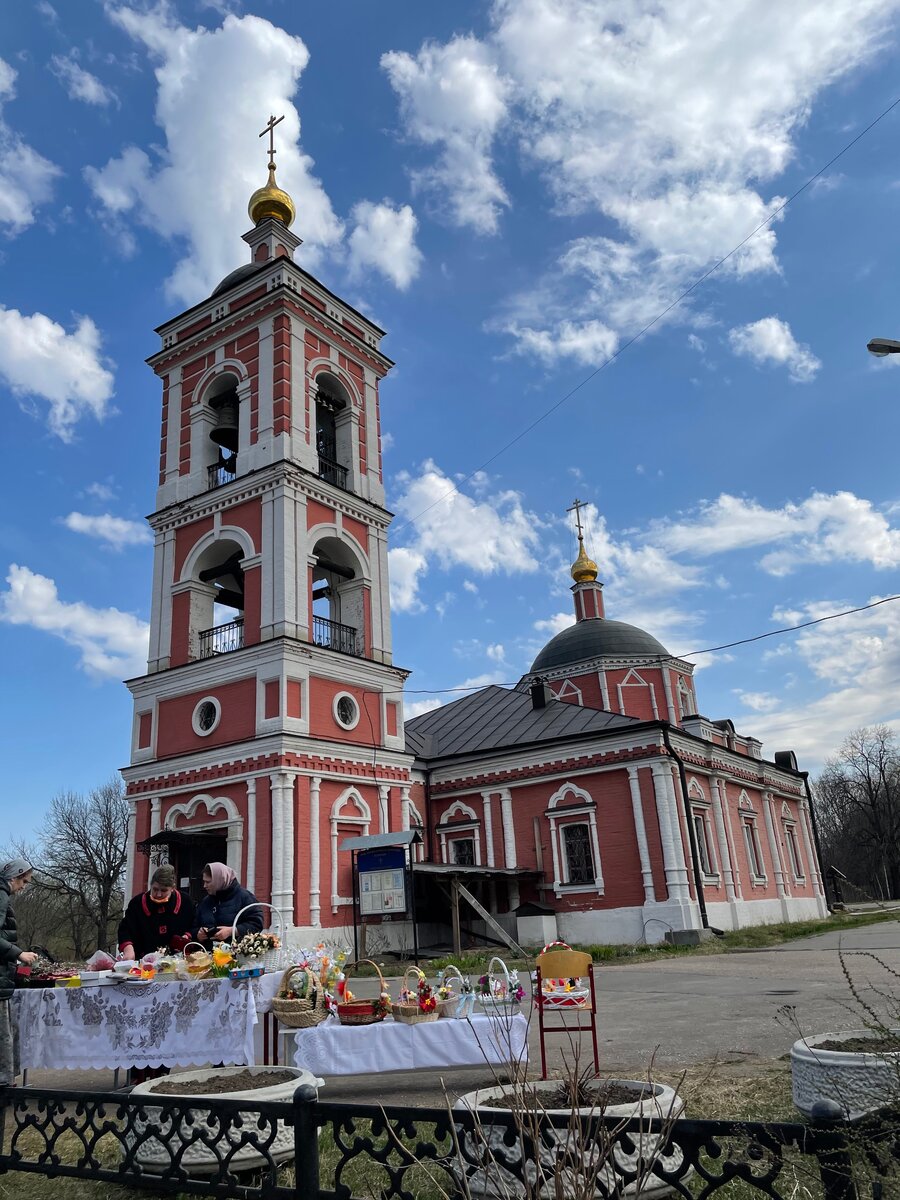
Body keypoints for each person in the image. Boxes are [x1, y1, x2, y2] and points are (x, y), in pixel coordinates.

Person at [0, 857, 38, 1087]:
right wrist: (18, 954)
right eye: (24, 881)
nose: (24, 887)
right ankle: (4, 1085)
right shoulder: (1, 894)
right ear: (15, 876)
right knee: (3, 1032)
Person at [118, 864, 196, 960]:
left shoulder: (186, 901)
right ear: (150, 885)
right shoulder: (137, 903)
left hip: (178, 961)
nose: (158, 894)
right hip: (144, 961)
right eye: (155, 889)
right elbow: (125, 929)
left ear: (172, 888)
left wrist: (187, 936)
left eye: (163, 891)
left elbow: (195, 924)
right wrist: (128, 948)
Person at [193, 863, 263, 944]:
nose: (204, 886)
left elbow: (256, 924)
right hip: (208, 954)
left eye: (208, 882)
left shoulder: (245, 897)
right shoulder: (206, 901)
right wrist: (198, 934)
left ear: (219, 880)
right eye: (204, 882)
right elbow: (194, 926)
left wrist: (231, 931)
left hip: (236, 953)